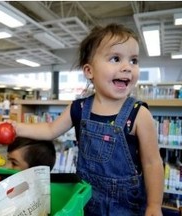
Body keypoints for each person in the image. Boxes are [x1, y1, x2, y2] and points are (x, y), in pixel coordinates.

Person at [14, 23, 164, 215]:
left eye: (134, 60)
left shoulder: (139, 114)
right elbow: (50, 130)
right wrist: (18, 128)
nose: (127, 67)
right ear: (89, 71)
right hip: (86, 200)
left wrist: (154, 205)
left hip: (126, 208)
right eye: (116, 58)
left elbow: (152, 163)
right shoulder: (79, 108)